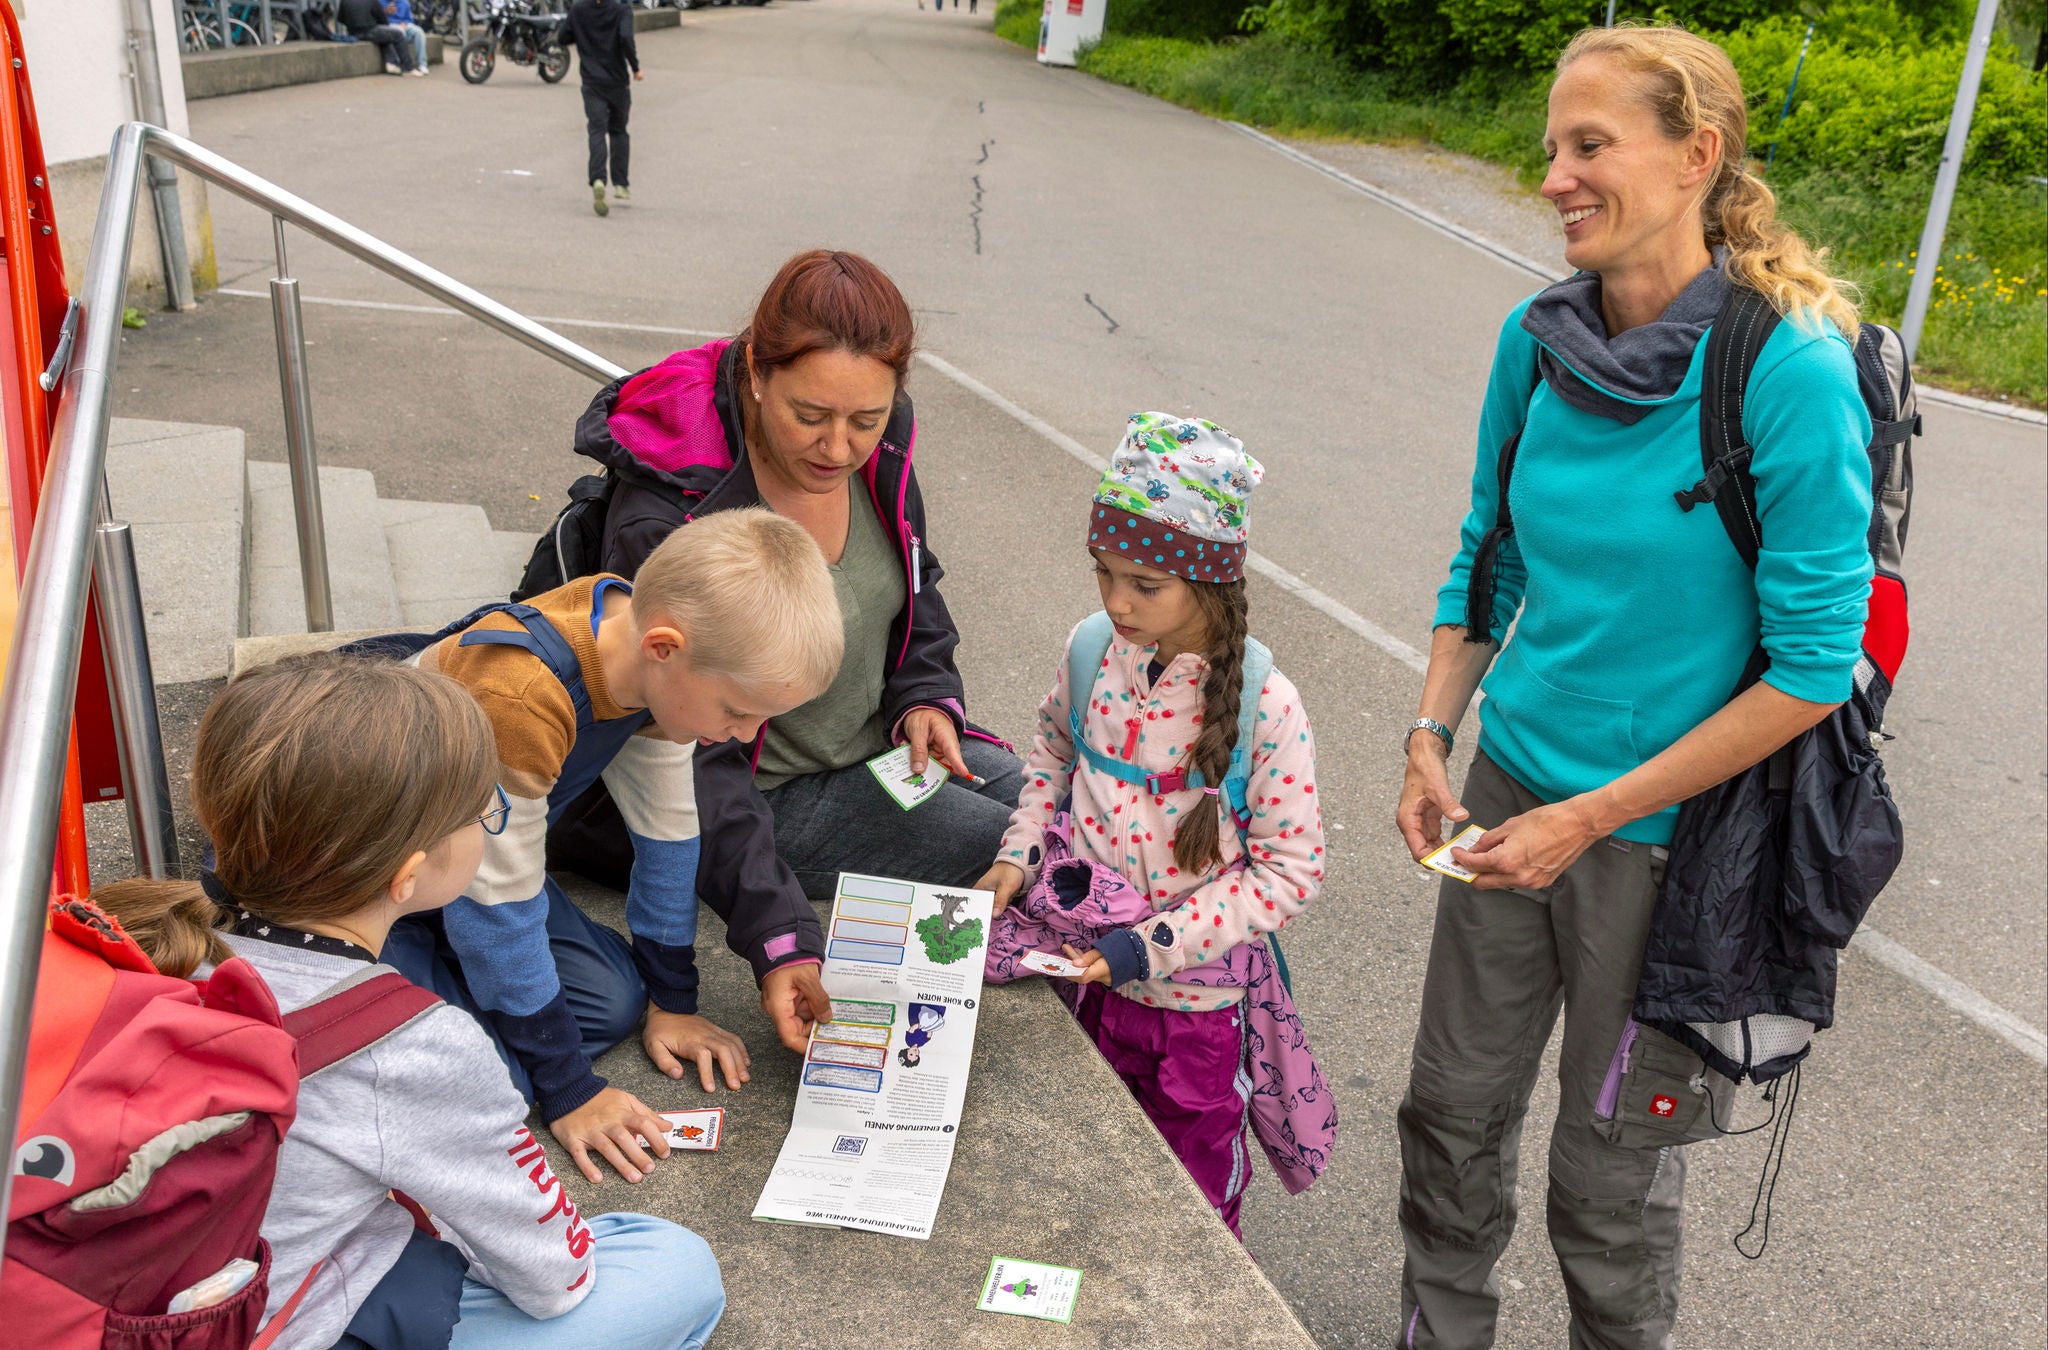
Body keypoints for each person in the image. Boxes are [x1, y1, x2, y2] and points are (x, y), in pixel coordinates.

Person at [1392, 25, 1875, 1349]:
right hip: (1507, 798)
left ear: (1694, 156)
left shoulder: (1789, 369)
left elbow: (1811, 672)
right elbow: (1487, 554)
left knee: (1606, 1183)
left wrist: (1595, 814)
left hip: (1665, 842)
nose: (1554, 175)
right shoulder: (1537, 339)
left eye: (1589, 145)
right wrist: (1432, 732)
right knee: (1449, 1115)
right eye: (1552, 146)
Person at [94, 653, 724, 1350]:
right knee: (675, 1267)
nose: (490, 824)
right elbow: (555, 1278)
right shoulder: (417, 1047)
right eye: (483, 811)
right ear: (409, 874)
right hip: (259, 1322)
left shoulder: (130, 938)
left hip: (107, 1294)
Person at [363, 510, 845, 1187]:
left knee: (617, 1002)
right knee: (491, 1084)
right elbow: (496, 912)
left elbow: (669, 836)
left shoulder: (648, 658)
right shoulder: (519, 697)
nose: (743, 734)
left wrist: (673, 999)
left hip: (467, 869)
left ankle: (449, 1002)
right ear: (664, 647)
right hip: (369, 886)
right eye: (737, 710)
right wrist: (568, 1089)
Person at [552, 248, 1024, 915]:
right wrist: (778, 935)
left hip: (879, 740)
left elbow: (919, 588)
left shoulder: (881, 445)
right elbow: (678, 750)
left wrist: (926, 696)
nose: (838, 448)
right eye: (809, 416)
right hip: (755, 793)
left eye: (866, 420)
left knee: (1065, 807)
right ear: (755, 372)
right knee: (1026, 848)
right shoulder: (671, 514)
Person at [977, 414, 1330, 1237]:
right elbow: (1052, 756)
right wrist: (1017, 859)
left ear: (1208, 578)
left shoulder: (1267, 708)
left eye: (1144, 583)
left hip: (1193, 1015)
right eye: (1103, 572)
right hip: (1080, 979)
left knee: (1189, 1216)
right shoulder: (1092, 652)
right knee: (1075, 1181)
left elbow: (1290, 871)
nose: (1116, 601)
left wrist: (1149, 946)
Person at [559, 0, 642, 217]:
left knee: (596, 130)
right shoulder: (621, 9)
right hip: (617, 81)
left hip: (591, 81)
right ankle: (621, 184)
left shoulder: (578, 9)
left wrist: (583, 33)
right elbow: (626, 37)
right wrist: (635, 67)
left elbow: (563, 37)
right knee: (618, 130)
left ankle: (598, 179)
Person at [335, 0, 418, 74]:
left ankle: (392, 63)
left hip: (352, 33)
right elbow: (382, 19)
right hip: (369, 30)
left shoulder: (344, 1)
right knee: (397, 34)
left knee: (384, 37)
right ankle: (408, 68)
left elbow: (341, 19)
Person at [383, 0, 430, 75]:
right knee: (400, 32)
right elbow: (377, 18)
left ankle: (422, 64)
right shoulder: (380, 2)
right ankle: (402, 64)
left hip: (403, 25)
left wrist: (405, 23)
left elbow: (409, 19)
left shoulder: (404, 2)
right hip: (389, 25)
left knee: (419, 32)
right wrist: (385, 12)